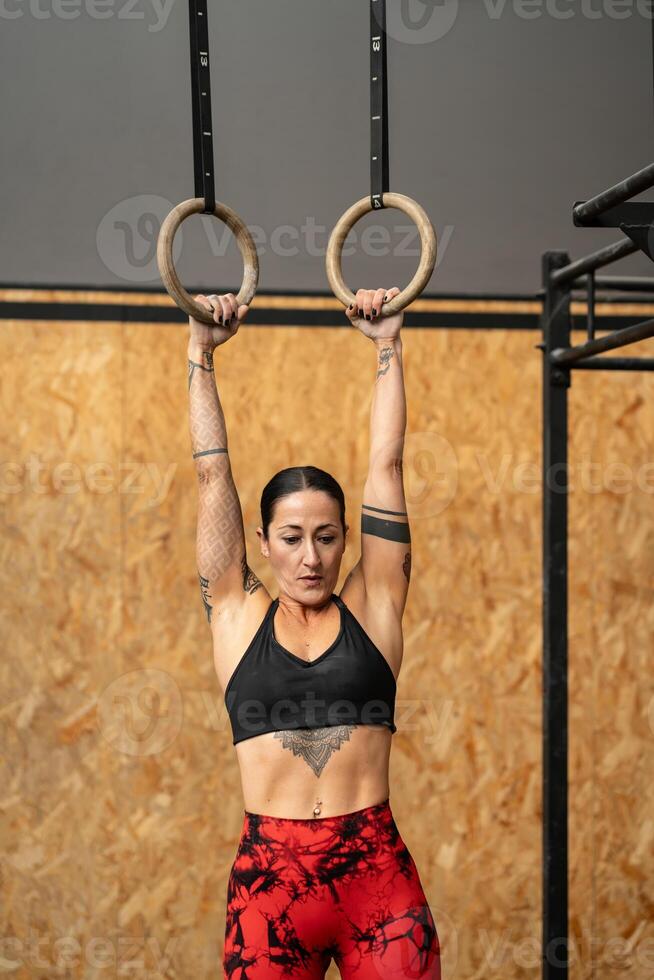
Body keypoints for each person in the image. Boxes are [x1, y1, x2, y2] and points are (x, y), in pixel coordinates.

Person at [187, 289, 441, 979]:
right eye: (292, 538)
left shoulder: (374, 604)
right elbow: (213, 474)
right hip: (271, 888)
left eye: (326, 538)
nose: (310, 557)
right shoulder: (237, 617)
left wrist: (389, 344)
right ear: (262, 543)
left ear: (345, 541)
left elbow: (385, 466)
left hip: (377, 880)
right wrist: (200, 353)